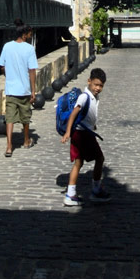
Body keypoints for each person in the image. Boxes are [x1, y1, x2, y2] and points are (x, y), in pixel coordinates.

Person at [59, 67, 108, 206]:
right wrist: (68, 132)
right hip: (81, 134)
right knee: (97, 159)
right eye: (96, 84)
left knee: (80, 162)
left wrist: (93, 125)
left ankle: (72, 193)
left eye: (101, 86)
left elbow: (88, 114)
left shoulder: (94, 97)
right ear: (89, 81)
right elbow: (74, 114)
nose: (98, 88)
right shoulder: (84, 96)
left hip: (86, 133)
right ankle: (93, 190)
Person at [0, 22, 38, 157]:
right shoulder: (29, 49)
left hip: (10, 89)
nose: (30, 36)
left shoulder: (7, 46)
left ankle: (9, 147)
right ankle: (26, 140)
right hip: (24, 89)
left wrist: (8, 75)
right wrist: (33, 90)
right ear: (24, 35)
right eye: (30, 34)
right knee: (25, 117)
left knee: (9, 118)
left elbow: (2, 66)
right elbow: (32, 71)